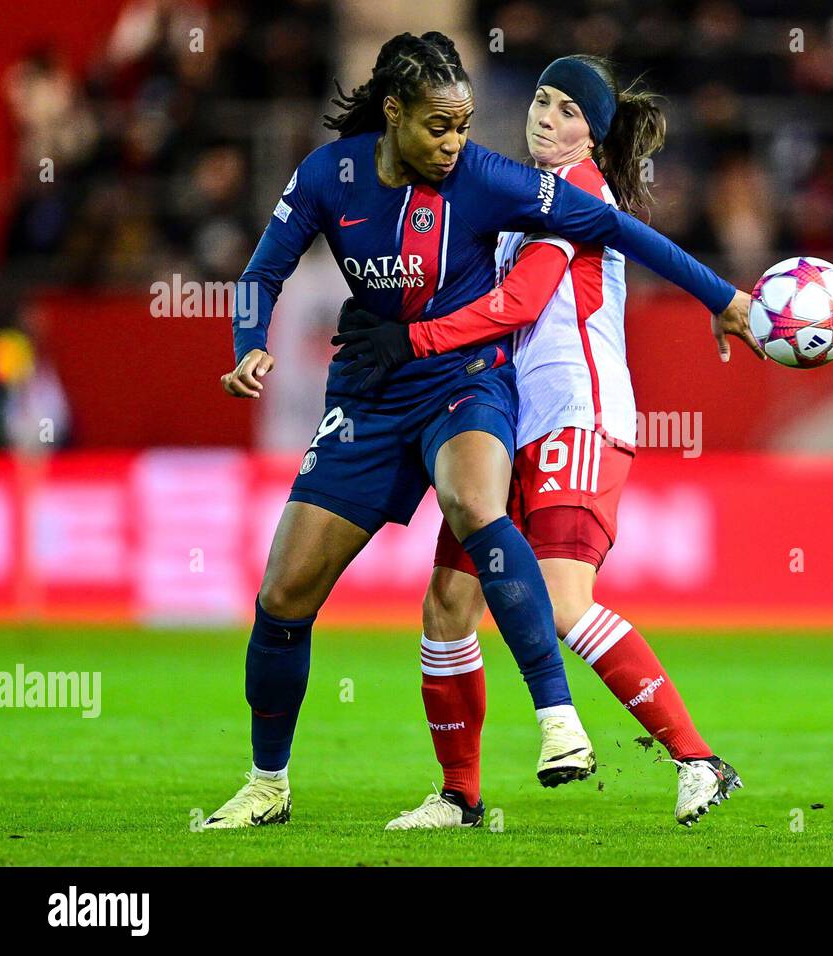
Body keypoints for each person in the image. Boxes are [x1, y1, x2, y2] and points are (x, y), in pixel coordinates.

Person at [202, 32, 759, 830]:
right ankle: (431, 793)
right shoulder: (339, 175)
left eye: (566, 111)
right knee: (405, 604)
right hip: (390, 397)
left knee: (533, 567)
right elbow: (264, 269)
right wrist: (248, 344)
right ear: (393, 115)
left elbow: (532, 297)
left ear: (591, 133)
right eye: (538, 100)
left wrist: (723, 298)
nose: (459, 142)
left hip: (541, 403)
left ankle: (642, 743)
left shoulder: (534, 189)